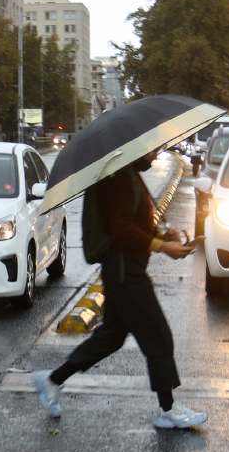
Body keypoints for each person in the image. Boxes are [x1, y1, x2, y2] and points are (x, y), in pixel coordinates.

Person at [32, 150, 208, 429]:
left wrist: (164, 236)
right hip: (125, 273)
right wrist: (163, 246)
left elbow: (134, 225)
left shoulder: (129, 175)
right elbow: (122, 230)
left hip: (124, 270)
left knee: (111, 337)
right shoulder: (117, 179)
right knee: (158, 335)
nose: (155, 155)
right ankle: (168, 409)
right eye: (151, 149)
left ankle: (52, 380)